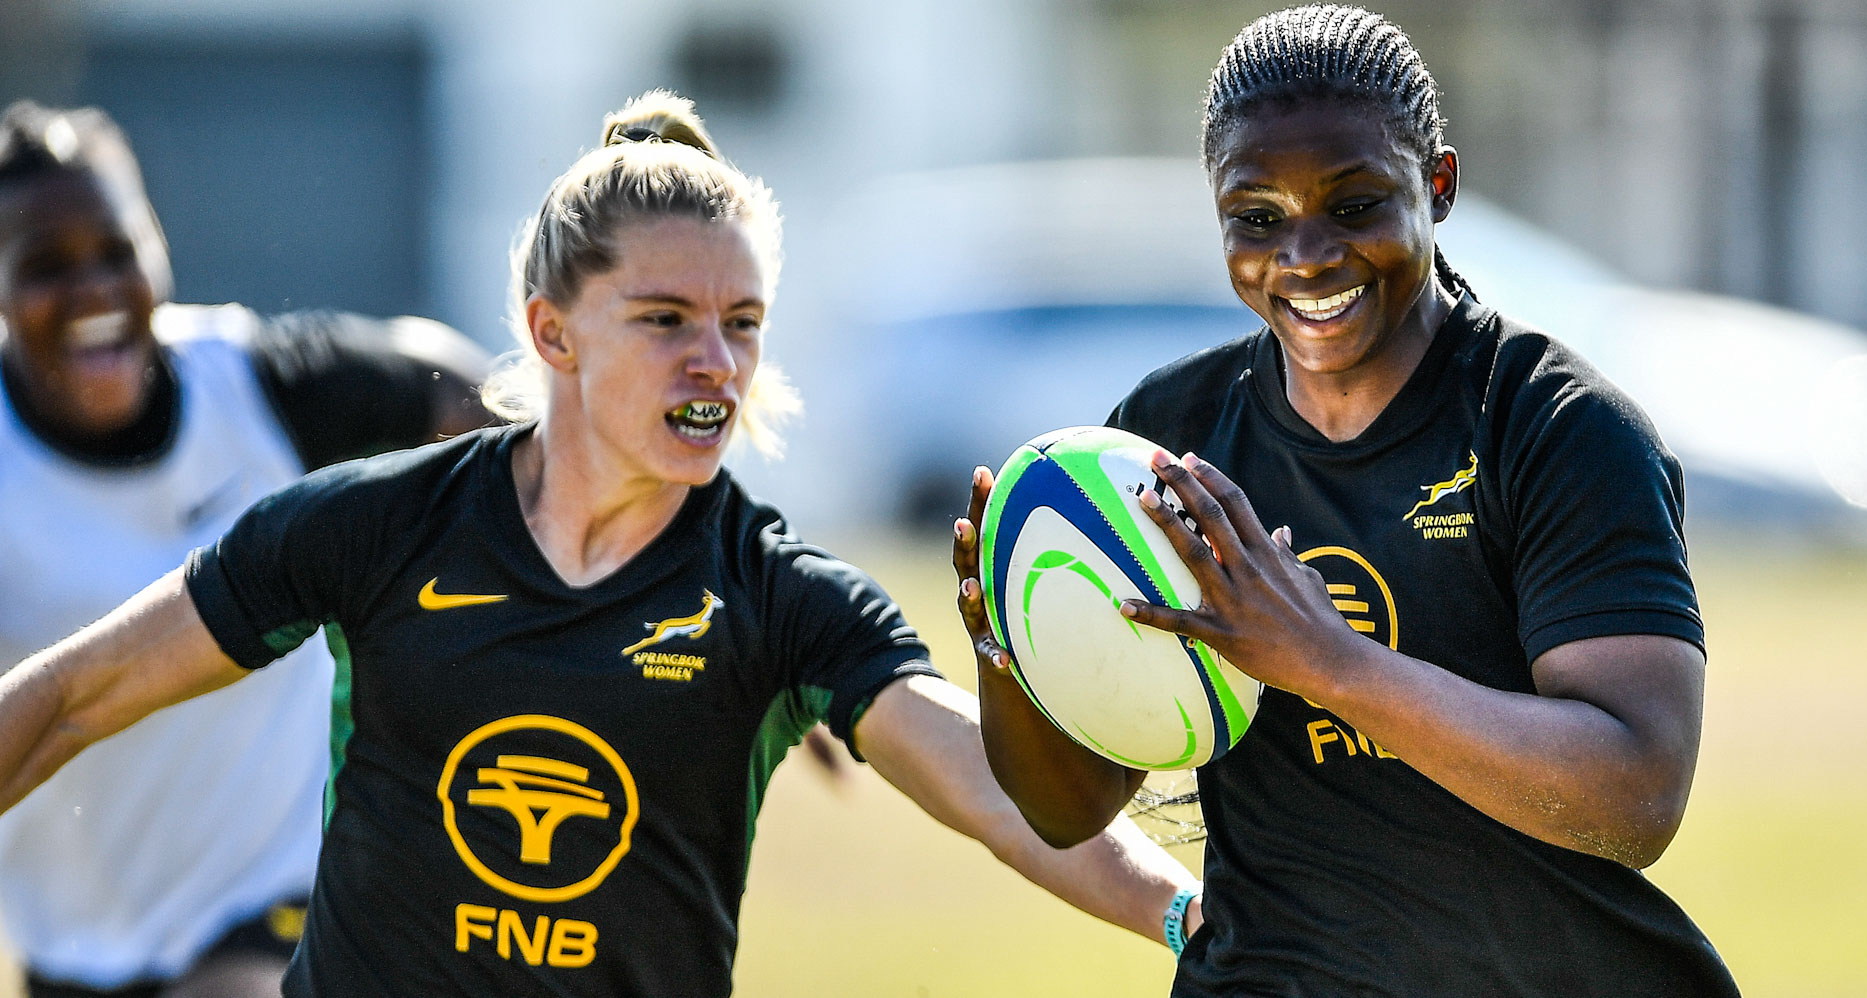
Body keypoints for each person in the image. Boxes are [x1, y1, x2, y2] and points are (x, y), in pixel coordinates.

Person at [0, 91, 1198, 997]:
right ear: (551, 331)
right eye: (664, 319)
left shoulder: (780, 599)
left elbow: (995, 792)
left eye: (741, 324)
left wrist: (1191, 917)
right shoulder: (371, 526)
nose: (713, 363)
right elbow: (72, 697)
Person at [955, 7, 1739, 996]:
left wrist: (1329, 663)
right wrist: (1009, 651)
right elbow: (1072, 807)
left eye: (1354, 203)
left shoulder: (1549, 424)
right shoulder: (1166, 435)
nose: (1306, 255)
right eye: (1255, 217)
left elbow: (1636, 795)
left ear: (1437, 187)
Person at [0, 101, 494, 998]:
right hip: (70, 952)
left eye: (118, 251)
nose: (94, 291)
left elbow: (466, 397)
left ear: (158, 247)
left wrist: (697, 557)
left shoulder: (261, 387)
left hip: (285, 899)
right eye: (44, 267)